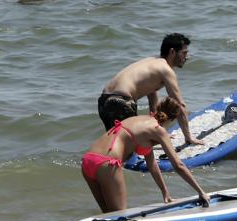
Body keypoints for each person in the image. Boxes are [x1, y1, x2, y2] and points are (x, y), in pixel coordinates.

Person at [82, 97, 210, 213]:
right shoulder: (158, 130)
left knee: (108, 216)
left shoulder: (139, 120)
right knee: (119, 216)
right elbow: (178, 165)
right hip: (107, 164)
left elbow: (152, 164)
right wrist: (201, 192)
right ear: (172, 119)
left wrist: (165, 193)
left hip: (88, 161)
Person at [98, 33, 204, 145]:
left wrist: (156, 129)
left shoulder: (152, 62)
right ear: (172, 52)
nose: (187, 57)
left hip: (104, 100)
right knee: (130, 146)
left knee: (114, 143)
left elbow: (152, 96)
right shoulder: (166, 70)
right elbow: (179, 104)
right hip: (121, 102)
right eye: (184, 53)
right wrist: (188, 137)